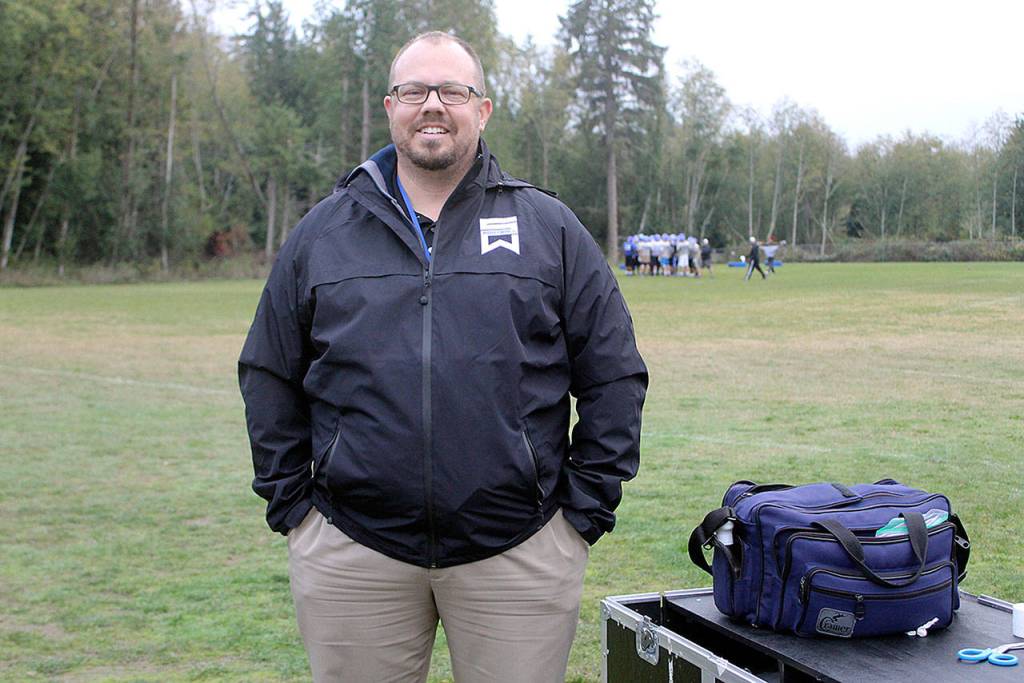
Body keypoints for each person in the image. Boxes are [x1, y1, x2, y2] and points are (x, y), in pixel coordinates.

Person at [238, 31, 648, 683]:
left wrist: (580, 513)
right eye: (414, 91)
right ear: (390, 107)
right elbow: (267, 370)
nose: (433, 104)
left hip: (519, 550)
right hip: (353, 550)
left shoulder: (547, 226)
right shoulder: (323, 232)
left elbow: (614, 371)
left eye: (452, 90)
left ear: (481, 109)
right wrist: (294, 506)